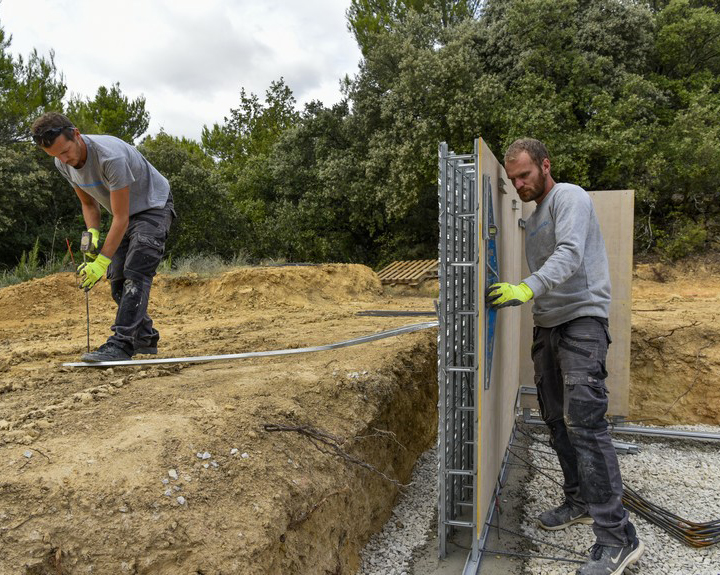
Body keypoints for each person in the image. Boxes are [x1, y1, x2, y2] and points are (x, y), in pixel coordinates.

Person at [486, 138, 644, 575]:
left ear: (544, 166)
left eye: (525, 175)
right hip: (549, 326)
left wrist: (524, 288)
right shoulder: (534, 218)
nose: (519, 184)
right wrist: (532, 298)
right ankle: (579, 499)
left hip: (582, 323)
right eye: (513, 178)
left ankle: (618, 537)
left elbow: (570, 254)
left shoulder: (567, 197)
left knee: (586, 425)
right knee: (556, 420)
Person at [31, 112, 174, 362]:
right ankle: (144, 337)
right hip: (126, 214)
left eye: (65, 151)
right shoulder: (62, 163)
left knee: (136, 271)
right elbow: (88, 204)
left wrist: (101, 261)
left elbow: (121, 218)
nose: (64, 159)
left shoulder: (111, 156)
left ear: (76, 134)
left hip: (153, 206)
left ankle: (122, 344)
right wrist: (93, 233)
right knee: (117, 280)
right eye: (55, 156)